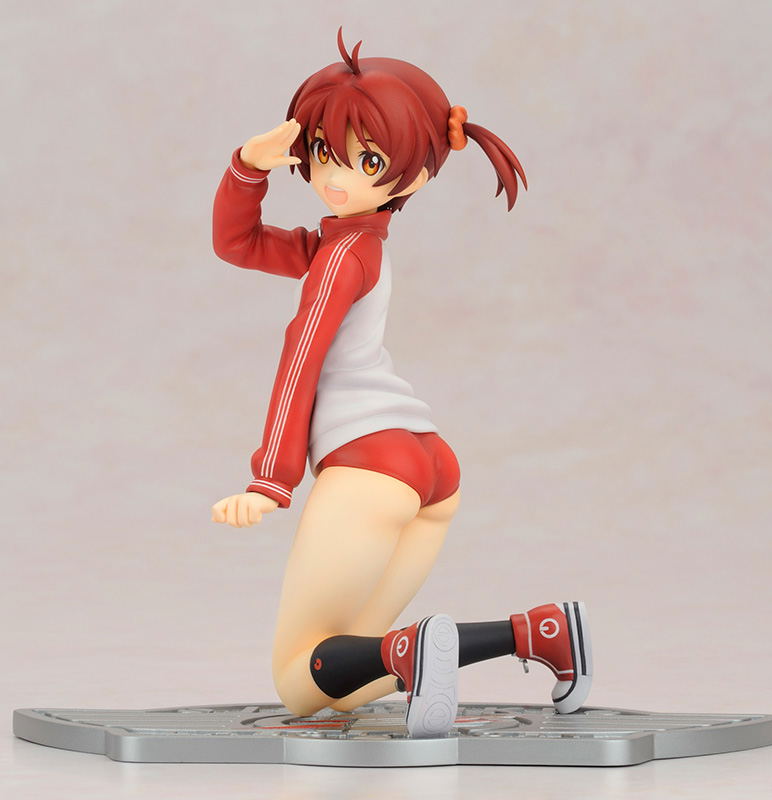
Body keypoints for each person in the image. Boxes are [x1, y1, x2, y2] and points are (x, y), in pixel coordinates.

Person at [211, 29, 592, 738]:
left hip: (370, 465)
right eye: (323, 151)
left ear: (413, 178)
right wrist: (247, 168)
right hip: (429, 462)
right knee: (348, 678)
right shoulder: (352, 243)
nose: (335, 176)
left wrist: (271, 480)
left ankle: (418, 650)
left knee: (297, 681)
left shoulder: (339, 258)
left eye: (368, 161)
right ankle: (536, 632)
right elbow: (239, 243)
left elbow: (301, 355)